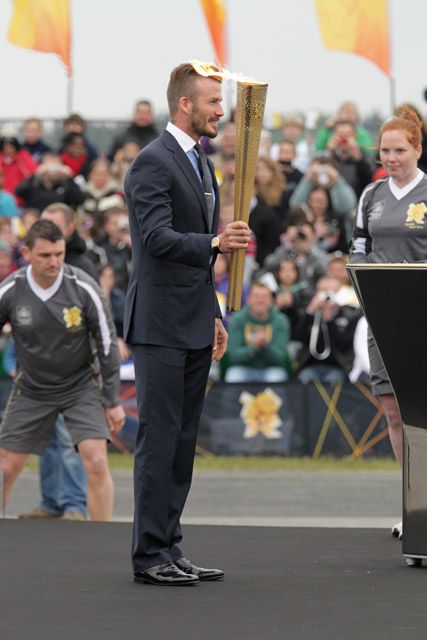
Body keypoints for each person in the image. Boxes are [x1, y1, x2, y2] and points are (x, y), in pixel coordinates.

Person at [124, 61, 251, 586]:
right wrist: (216, 243)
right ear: (185, 104)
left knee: (182, 440)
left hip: (194, 320)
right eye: (213, 102)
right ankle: (149, 554)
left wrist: (215, 314)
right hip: (159, 325)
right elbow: (154, 239)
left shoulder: (200, 162)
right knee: (160, 440)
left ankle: (170, 547)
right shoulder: (153, 163)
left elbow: (194, 257)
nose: (220, 111)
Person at [0, 220, 125, 520]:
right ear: (27, 253)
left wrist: (112, 400)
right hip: (31, 387)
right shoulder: (10, 290)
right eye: (45, 255)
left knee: (95, 461)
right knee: (6, 466)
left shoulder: (83, 287)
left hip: (80, 386)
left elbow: (107, 345)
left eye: (59, 253)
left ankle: (101, 539)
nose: (54, 261)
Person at [350, 105, 427, 539]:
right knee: (394, 413)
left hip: (421, 313)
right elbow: (358, 247)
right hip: (382, 316)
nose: (391, 158)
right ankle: (414, 504)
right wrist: (365, 285)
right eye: (385, 151)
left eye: (399, 150)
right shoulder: (370, 196)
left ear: (417, 149)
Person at [293, 276, 361, 383]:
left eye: (330, 291)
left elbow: (344, 344)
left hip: (338, 366)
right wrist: (310, 312)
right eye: (322, 291)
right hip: (310, 365)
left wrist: (329, 321)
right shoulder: (310, 313)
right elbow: (298, 337)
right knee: (305, 378)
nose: (325, 296)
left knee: (332, 381)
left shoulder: (350, 315)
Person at [224, 282, 291, 383]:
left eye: (264, 297)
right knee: (234, 377)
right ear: (248, 299)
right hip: (243, 368)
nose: (260, 300)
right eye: (256, 296)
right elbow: (233, 356)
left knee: (276, 378)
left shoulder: (280, 320)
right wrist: (254, 348)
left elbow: (281, 357)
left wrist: (264, 346)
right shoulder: (237, 319)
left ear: (272, 301)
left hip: (271, 369)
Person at [15, 152, 85, 212]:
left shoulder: (65, 185)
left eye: (56, 166)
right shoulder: (34, 184)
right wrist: (35, 174)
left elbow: (79, 200)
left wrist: (69, 178)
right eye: (49, 165)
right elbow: (18, 192)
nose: (52, 170)